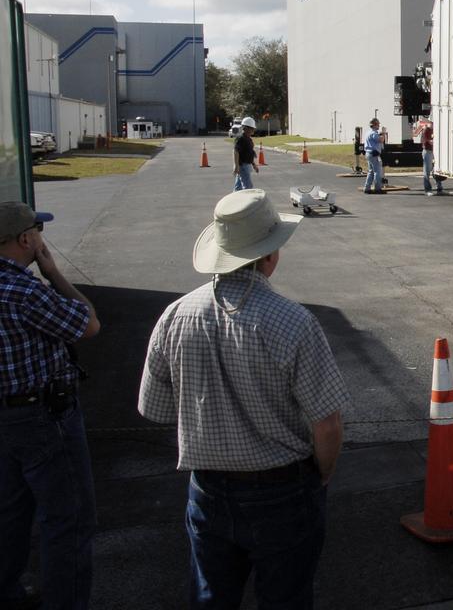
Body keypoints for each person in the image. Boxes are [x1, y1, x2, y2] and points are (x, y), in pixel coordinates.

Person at [138, 189, 349, 610]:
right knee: (285, 597)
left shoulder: (175, 315)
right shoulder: (295, 322)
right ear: (270, 256)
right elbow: (328, 423)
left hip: (208, 488)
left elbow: (154, 410)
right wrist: (322, 475)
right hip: (284, 489)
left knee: (211, 596)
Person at [0, 203, 101, 610]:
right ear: (26, 239)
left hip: (4, 419)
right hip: (42, 416)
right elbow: (88, 323)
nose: (41, 237)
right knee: (68, 518)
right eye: (38, 231)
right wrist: (54, 273)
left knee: (10, 512)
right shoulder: (25, 290)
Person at [412, 115, 444, 196]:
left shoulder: (434, 130)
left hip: (434, 152)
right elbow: (428, 141)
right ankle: (427, 190)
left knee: (436, 170)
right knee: (427, 171)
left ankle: (439, 188)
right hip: (427, 151)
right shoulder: (427, 130)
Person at [233, 116, 258, 191]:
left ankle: (234, 200)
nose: (253, 131)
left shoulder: (249, 139)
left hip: (247, 165)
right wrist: (236, 166)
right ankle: (246, 202)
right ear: (245, 128)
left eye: (253, 129)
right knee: (248, 187)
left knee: (238, 187)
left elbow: (249, 153)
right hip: (242, 166)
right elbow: (236, 151)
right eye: (252, 129)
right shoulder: (240, 138)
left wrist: (254, 165)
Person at [363, 117, 386, 194]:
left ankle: (367, 188)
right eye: (378, 125)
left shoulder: (368, 132)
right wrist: (383, 133)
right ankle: (377, 188)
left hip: (368, 153)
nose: (378, 126)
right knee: (377, 172)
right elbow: (381, 140)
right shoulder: (374, 133)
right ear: (375, 125)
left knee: (371, 172)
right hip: (374, 154)